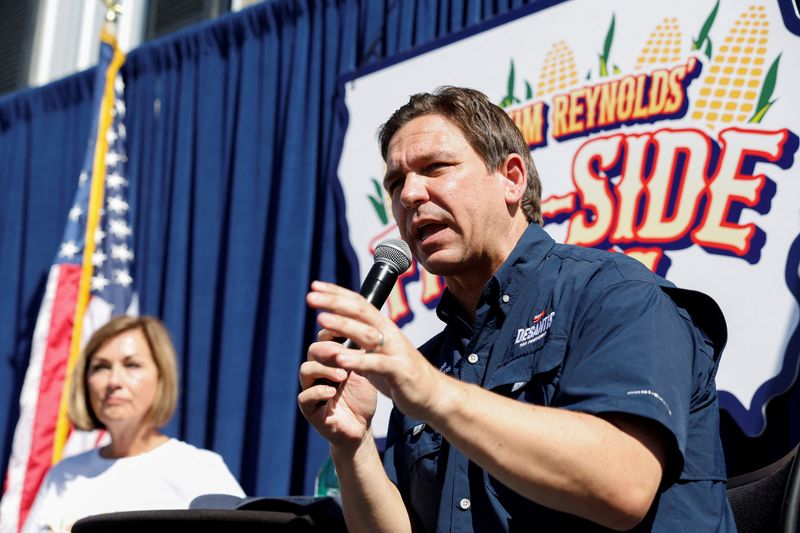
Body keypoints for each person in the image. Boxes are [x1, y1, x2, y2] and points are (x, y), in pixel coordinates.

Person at [298, 86, 735, 531]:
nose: (409, 194)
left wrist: (432, 393)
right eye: (395, 183)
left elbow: (624, 485)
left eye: (435, 167)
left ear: (512, 178)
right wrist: (351, 444)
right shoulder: (431, 364)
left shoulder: (612, 293)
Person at [23, 316, 244, 533]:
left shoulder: (199, 469)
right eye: (101, 367)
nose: (114, 381)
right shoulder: (64, 474)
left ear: (161, 377)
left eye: (132, 365)